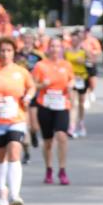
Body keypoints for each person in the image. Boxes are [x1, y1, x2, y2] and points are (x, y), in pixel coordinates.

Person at [0, 37, 36, 205]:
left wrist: (27, 97)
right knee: (0, 157)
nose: (5, 54)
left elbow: (31, 87)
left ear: (13, 53)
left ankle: (14, 194)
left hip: (16, 119)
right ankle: (1, 190)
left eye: (9, 50)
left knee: (14, 151)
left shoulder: (21, 71)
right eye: (2, 50)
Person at [32, 37, 74, 185]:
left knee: (62, 136)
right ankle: (48, 169)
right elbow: (32, 85)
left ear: (61, 49)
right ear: (48, 48)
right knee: (48, 141)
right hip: (45, 105)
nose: (55, 49)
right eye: (52, 46)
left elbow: (72, 80)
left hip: (62, 105)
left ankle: (62, 170)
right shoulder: (40, 65)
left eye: (58, 46)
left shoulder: (66, 65)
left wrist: (70, 85)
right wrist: (41, 84)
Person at [16, 31, 46, 159]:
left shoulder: (38, 55)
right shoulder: (16, 55)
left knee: (34, 125)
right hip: (19, 91)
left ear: (34, 41)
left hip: (34, 91)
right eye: (26, 38)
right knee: (23, 123)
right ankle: (26, 151)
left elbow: (46, 68)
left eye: (30, 39)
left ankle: (34, 134)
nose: (28, 41)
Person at [65, 31, 90, 137]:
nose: (74, 42)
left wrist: (84, 61)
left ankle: (81, 122)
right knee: (72, 103)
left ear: (79, 40)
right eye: (72, 40)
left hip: (82, 78)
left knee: (81, 103)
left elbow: (92, 62)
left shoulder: (84, 51)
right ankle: (71, 126)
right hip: (71, 78)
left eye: (76, 40)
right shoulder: (67, 52)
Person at [81, 27, 103, 106]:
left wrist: (92, 52)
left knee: (93, 81)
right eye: (85, 32)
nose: (86, 34)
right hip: (83, 64)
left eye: (87, 32)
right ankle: (85, 98)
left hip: (91, 62)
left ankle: (92, 91)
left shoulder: (93, 41)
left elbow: (98, 51)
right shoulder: (81, 41)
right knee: (85, 82)